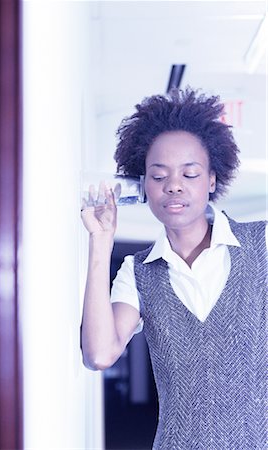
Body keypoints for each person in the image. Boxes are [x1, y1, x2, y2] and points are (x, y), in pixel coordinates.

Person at [80, 88, 267, 449]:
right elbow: (100, 354)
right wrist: (101, 242)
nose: (174, 186)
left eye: (190, 173)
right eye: (159, 175)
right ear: (144, 185)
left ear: (212, 180)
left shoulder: (261, 244)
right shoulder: (138, 273)